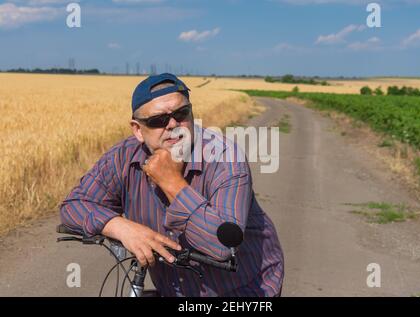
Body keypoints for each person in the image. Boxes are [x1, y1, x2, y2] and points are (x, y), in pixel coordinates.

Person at [59, 73, 284, 296]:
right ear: (138, 130)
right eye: (158, 121)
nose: (173, 125)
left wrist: (172, 182)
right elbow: (74, 205)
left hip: (243, 290)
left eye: (181, 114)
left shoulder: (225, 158)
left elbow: (223, 246)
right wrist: (121, 227)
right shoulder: (123, 157)